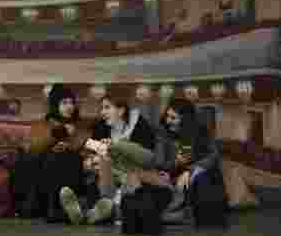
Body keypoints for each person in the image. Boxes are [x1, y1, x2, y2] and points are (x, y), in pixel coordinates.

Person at [59, 94, 162, 226]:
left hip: (132, 175)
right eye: (101, 108)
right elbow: (92, 151)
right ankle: (90, 213)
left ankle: (89, 213)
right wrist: (90, 160)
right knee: (91, 172)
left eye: (107, 108)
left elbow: (147, 159)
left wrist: (115, 150)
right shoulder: (102, 126)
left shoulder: (139, 126)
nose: (102, 112)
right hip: (107, 178)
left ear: (121, 110)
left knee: (124, 181)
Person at [155, 98, 228, 227]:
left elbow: (213, 156)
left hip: (196, 175)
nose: (168, 121)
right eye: (167, 116)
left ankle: (200, 214)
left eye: (173, 118)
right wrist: (175, 162)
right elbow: (159, 163)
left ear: (185, 119)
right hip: (172, 175)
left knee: (203, 176)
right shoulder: (163, 134)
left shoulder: (199, 132)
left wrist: (191, 170)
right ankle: (177, 212)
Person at [25, 85, 93, 223]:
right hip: (46, 174)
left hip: (75, 171)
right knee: (54, 157)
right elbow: (33, 148)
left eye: (71, 102)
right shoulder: (44, 125)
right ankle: (59, 209)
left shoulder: (80, 126)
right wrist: (58, 135)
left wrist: (70, 147)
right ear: (55, 105)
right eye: (64, 103)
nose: (69, 107)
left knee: (66, 157)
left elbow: (87, 148)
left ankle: (66, 208)